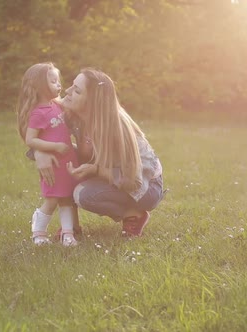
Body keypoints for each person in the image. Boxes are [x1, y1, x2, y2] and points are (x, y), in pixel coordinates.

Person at [34, 68, 164, 237]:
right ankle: (72, 227)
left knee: (83, 195)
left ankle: (134, 215)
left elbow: (134, 181)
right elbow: (38, 129)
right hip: (111, 173)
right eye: (72, 85)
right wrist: (39, 152)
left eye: (77, 90)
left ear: (92, 102)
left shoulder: (117, 128)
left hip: (145, 187)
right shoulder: (73, 113)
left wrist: (96, 170)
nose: (68, 91)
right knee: (60, 157)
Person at [17, 62, 79, 246]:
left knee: (66, 198)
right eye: (53, 81)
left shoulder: (56, 106)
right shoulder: (38, 113)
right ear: (39, 86)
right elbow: (31, 140)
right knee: (52, 199)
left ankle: (68, 233)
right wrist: (55, 147)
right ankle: (38, 232)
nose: (58, 85)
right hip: (53, 164)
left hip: (67, 161)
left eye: (58, 80)